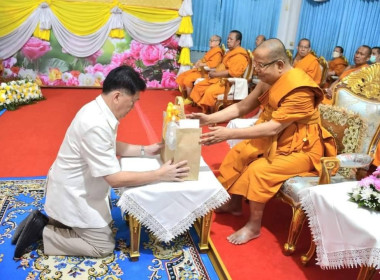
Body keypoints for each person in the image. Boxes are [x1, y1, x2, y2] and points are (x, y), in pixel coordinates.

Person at [13, 66, 190, 259]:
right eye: (132, 102)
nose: (132, 109)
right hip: (72, 193)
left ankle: (55, 223)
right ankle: (43, 233)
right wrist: (159, 175)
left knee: (98, 224)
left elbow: (111, 146)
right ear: (117, 97)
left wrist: (145, 150)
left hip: (74, 186)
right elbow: (114, 179)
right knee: (102, 246)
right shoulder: (95, 123)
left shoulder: (98, 109)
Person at [188, 38, 336, 245]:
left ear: (280, 65)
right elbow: (243, 106)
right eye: (254, 63)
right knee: (239, 153)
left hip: (302, 149)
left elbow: (275, 126)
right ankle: (234, 204)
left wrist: (227, 134)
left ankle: (253, 226)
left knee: (259, 170)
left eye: (260, 65)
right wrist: (209, 119)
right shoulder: (270, 78)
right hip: (277, 139)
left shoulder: (299, 89)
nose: (255, 69)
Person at [190, 30, 249, 113]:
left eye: (231, 39)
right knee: (199, 86)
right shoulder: (230, 52)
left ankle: (210, 115)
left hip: (228, 83)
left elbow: (232, 72)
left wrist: (216, 74)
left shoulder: (239, 56)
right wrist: (214, 74)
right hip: (218, 79)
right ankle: (204, 108)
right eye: (228, 38)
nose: (228, 40)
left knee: (209, 92)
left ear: (238, 41)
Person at [176, 35, 223, 103]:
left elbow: (213, 64)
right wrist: (199, 62)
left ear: (218, 42)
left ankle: (190, 99)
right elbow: (205, 59)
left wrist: (202, 64)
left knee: (188, 79)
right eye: (210, 40)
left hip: (207, 73)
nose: (210, 42)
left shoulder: (218, 52)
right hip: (202, 70)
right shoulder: (212, 50)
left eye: (212, 41)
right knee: (184, 74)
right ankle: (185, 96)